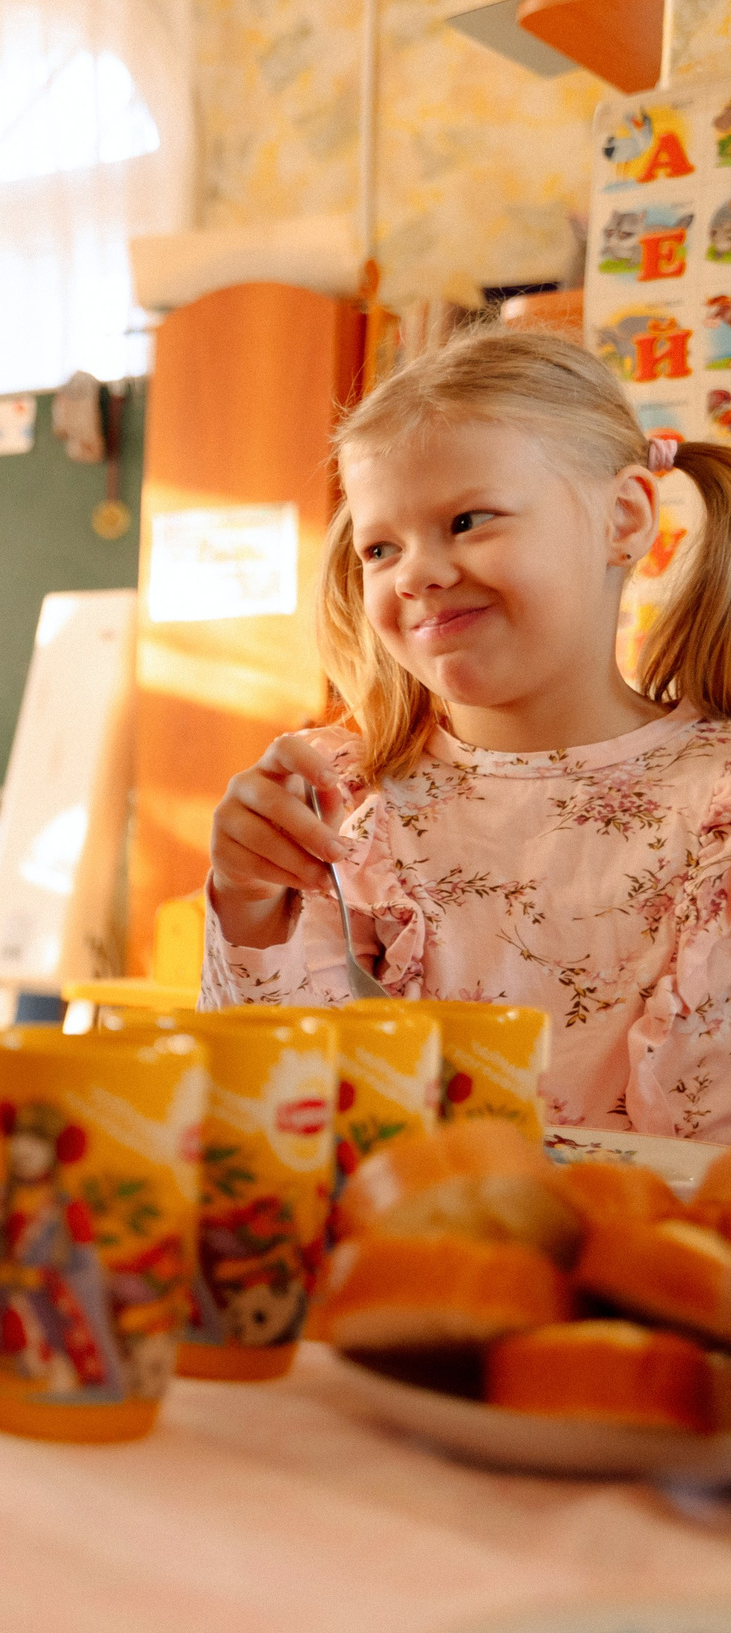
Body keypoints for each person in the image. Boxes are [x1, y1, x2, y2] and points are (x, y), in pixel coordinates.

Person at [204, 330, 731, 1139]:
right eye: (380, 547)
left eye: (467, 520)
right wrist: (247, 904)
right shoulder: (344, 800)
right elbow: (269, 1117)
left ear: (623, 518)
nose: (415, 573)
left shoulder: (715, 801)